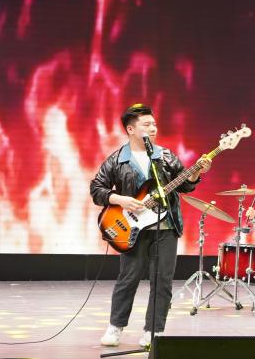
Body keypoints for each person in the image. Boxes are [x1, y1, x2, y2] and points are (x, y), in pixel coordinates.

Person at [90, 103, 211, 348]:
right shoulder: (118, 160)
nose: (153, 128)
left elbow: (185, 185)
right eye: (147, 124)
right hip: (131, 228)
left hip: (166, 227)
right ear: (130, 129)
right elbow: (97, 189)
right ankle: (115, 327)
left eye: (154, 124)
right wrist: (120, 199)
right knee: (129, 277)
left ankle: (153, 331)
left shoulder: (164, 156)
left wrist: (196, 173)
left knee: (162, 280)